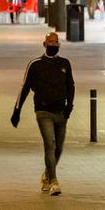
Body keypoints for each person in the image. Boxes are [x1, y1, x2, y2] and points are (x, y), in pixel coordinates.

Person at [11, 32, 74, 196]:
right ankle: (53, 181)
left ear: (59, 45)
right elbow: (24, 88)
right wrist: (17, 111)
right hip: (43, 111)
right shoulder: (35, 65)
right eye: (50, 42)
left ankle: (46, 175)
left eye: (56, 42)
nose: (53, 44)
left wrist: (69, 107)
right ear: (44, 44)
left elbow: (70, 86)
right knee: (50, 144)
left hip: (61, 112)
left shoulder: (65, 64)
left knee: (59, 148)